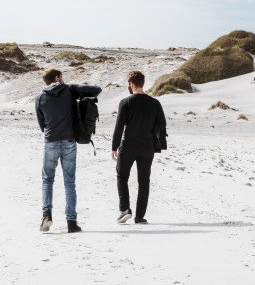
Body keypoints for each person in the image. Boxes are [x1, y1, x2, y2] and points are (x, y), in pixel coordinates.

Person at [35, 68, 101, 233]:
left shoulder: (39, 97)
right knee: (69, 182)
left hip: (50, 140)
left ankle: (46, 215)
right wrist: (72, 87)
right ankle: (71, 222)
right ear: (58, 78)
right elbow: (96, 90)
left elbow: (42, 126)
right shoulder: (69, 90)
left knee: (47, 180)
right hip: (69, 141)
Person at [111, 70, 167, 225]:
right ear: (143, 83)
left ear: (130, 84)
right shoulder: (155, 103)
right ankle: (140, 216)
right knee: (144, 181)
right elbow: (162, 124)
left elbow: (119, 127)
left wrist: (114, 147)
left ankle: (125, 210)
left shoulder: (125, 102)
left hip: (128, 145)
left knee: (122, 177)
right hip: (147, 147)